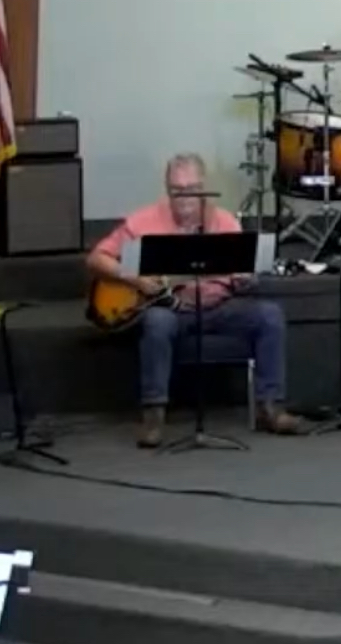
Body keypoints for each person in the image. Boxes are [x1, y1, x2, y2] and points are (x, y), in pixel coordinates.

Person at [87, 153, 297, 448]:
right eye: (177, 190)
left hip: (218, 306)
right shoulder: (144, 221)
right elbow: (96, 259)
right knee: (157, 322)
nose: (185, 197)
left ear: (204, 188)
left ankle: (271, 407)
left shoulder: (224, 222)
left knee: (269, 315)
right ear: (167, 189)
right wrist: (136, 280)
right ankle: (154, 416)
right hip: (170, 309)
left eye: (192, 189)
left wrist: (245, 278)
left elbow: (241, 276)